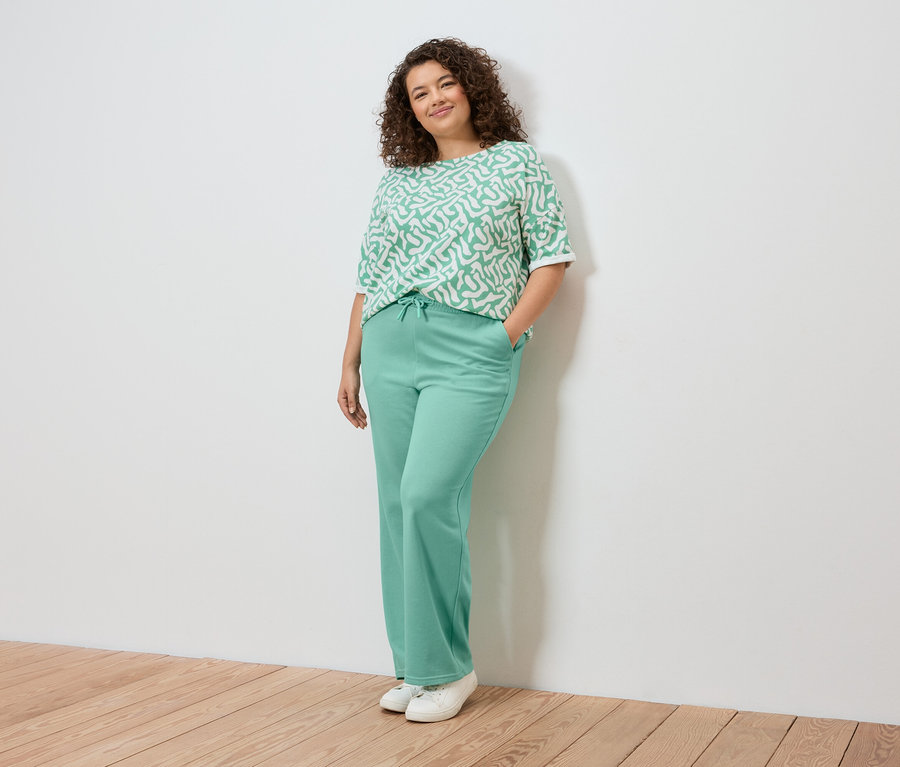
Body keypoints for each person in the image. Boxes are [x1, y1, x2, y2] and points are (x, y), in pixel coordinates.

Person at [337, 37, 576, 723]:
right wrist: (349, 358)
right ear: (408, 110)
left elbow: (551, 260)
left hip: (469, 343)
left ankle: (451, 670)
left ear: (471, 88)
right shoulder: (398, 180)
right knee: (396, 506)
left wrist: (502, 338)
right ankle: (416, 668)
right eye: (420, 92)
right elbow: (368, 277)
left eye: (446, 83)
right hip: (388, 341)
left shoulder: (516, 164)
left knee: (425, 494)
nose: (436, 98)